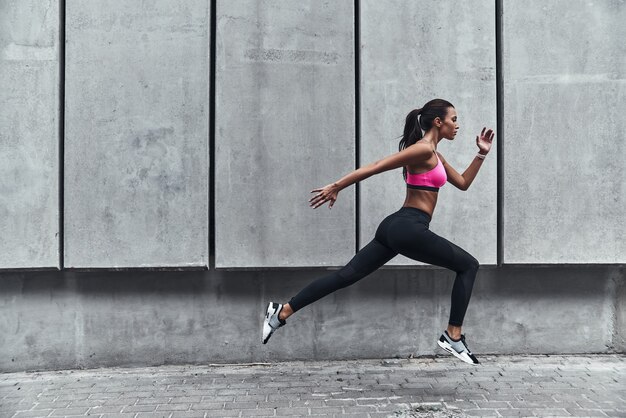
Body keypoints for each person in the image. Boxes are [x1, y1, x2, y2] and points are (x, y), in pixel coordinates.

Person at [262, 99, 494, 365]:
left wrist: (482, 153)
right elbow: (376, 166)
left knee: (345, 276)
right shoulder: (422, 150)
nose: (458, 125)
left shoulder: (436, 155)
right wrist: (336, 186)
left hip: (397, 227)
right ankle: (453, 335)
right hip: (408, 227)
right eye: (454, 119)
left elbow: (463, 183)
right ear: (438, 122)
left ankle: (281, 312)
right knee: (468, 265)